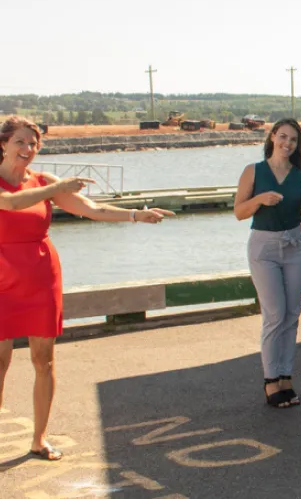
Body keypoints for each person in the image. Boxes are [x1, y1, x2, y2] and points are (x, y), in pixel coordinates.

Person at [0, 115, 173, 461]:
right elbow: (12, 203)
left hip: (40, 275)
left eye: (33, 143)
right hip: (2, 276)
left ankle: (39, 439)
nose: (28, 149)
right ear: (3, 143)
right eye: (20, 141)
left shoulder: (44, 181)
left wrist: (136, 215)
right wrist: (57, 188)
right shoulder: (37, 186)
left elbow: (91, 209)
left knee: (43, 360)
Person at [235, 118, 301, 409]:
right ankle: (270, 380)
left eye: (293, 140)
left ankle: (285, 375)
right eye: (283, 137)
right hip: (263, 246)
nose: (287, 144)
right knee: (275, 313)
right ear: (272, 137)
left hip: (294, 245)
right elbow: (239, 212)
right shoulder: (253, 172)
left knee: (292, 314)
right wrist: (260, 200)